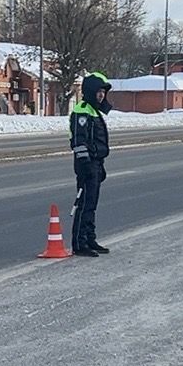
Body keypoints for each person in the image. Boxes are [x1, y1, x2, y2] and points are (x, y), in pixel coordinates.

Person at [70, 71, 113, 256]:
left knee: (92, 204)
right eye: (99, 92)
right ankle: (80, 244)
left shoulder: (94, 110)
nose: (101, 95)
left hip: (95, 162)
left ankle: (90, 238)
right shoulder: (82, 110)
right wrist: (86, 165)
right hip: (86, 164)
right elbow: (79, 141)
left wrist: (99, 165)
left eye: (103, 92)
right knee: (85, 204)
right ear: (90, 91)